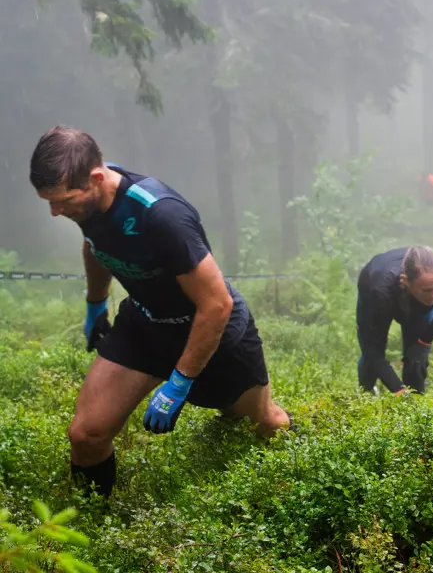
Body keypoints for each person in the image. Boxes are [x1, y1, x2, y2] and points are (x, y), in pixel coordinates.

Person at [29, 125, 292, 499]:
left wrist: (180, 381)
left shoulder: (161, 215)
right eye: (49, 202)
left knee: (267, 422)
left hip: (209, 329)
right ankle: (89, 530)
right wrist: (95, 303)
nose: (56, 212)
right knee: (85, 435)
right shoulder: (86, 201)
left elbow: (217, 304)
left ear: (97, 177)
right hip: (145, 323)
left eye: (63, 200)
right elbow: (96, 245)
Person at [355, 246, 433, 395]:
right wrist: (399, 391)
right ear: (406, 281)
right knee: (371, 357)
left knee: (417, 360)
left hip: (417, 307)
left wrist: (424, 342)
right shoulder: (377, 290)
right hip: (380, 294)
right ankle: (366, 392)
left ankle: (416, 401)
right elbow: (373, 352)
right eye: (427, 290)